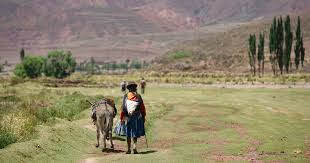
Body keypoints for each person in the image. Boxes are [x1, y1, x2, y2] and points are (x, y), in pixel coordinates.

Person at [120, 81, 146, 154]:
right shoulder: (138, 96)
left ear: (128, 89)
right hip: (136, 116)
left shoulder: (126, 96)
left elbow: (123, 108)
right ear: (135, 88)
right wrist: (143, 116)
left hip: (128, 117)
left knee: (128, 132)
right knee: (135, 131)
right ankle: (134, 147)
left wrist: (122, 117)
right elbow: (142, 107)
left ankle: (128, 149)